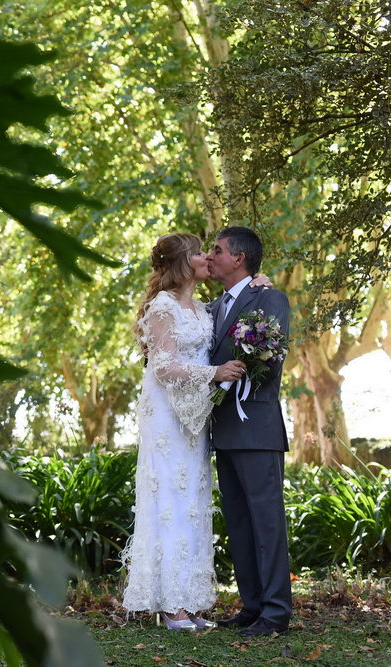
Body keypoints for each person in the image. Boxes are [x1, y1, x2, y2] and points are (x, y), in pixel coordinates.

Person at [121, 232, 250, 631]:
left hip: (194, 415)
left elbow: (232, 310)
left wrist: (256, 284)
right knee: (170, 499)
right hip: (165, 416)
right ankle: (171, 606)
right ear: (184, 262)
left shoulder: (201, 308)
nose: (208, 257)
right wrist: (214, 373)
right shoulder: (161, 307)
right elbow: (162, 366)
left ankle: (190, 601)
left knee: (192, 500)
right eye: (200, 252)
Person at [207, 226, 293, 638]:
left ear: (238, 258)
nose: (211, 256)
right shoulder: (211, 308)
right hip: (222, 429)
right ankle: (252, 605)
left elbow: (269, 359)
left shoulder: (270, 298)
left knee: (267, 522)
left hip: (256, 427)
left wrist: (232, 376)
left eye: (217, 250)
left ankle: (276, 613)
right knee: (239, 523)